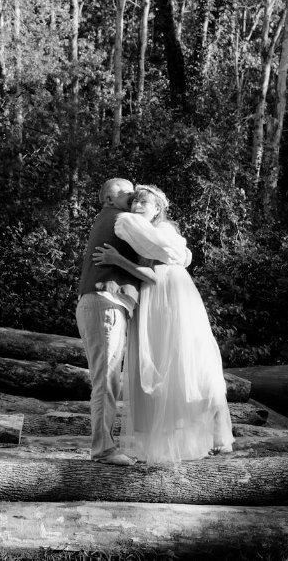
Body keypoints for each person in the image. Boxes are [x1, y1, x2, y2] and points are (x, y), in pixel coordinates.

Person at [93, 185, 233, 464]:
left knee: (187, 361)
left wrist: (118, 260)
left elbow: (161, 270)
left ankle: (218, 431)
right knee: (157, 367)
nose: (136, 206)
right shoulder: (139, 233)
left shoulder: (165, 229)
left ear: (158, 209)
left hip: (171, 299)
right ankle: (164, 441)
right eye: (134, 202)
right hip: (150, 302)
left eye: (144, 202)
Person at [75, 177, 142, 466]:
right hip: (105, 303)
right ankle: (103, 449)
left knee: (108, 379)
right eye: (127, 193)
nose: (133, 197)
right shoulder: (121, 220)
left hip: (101, 303)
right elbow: (158, 248)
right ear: (109, 199)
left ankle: (104, 445)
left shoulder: (112, 219)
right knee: (106, 379)